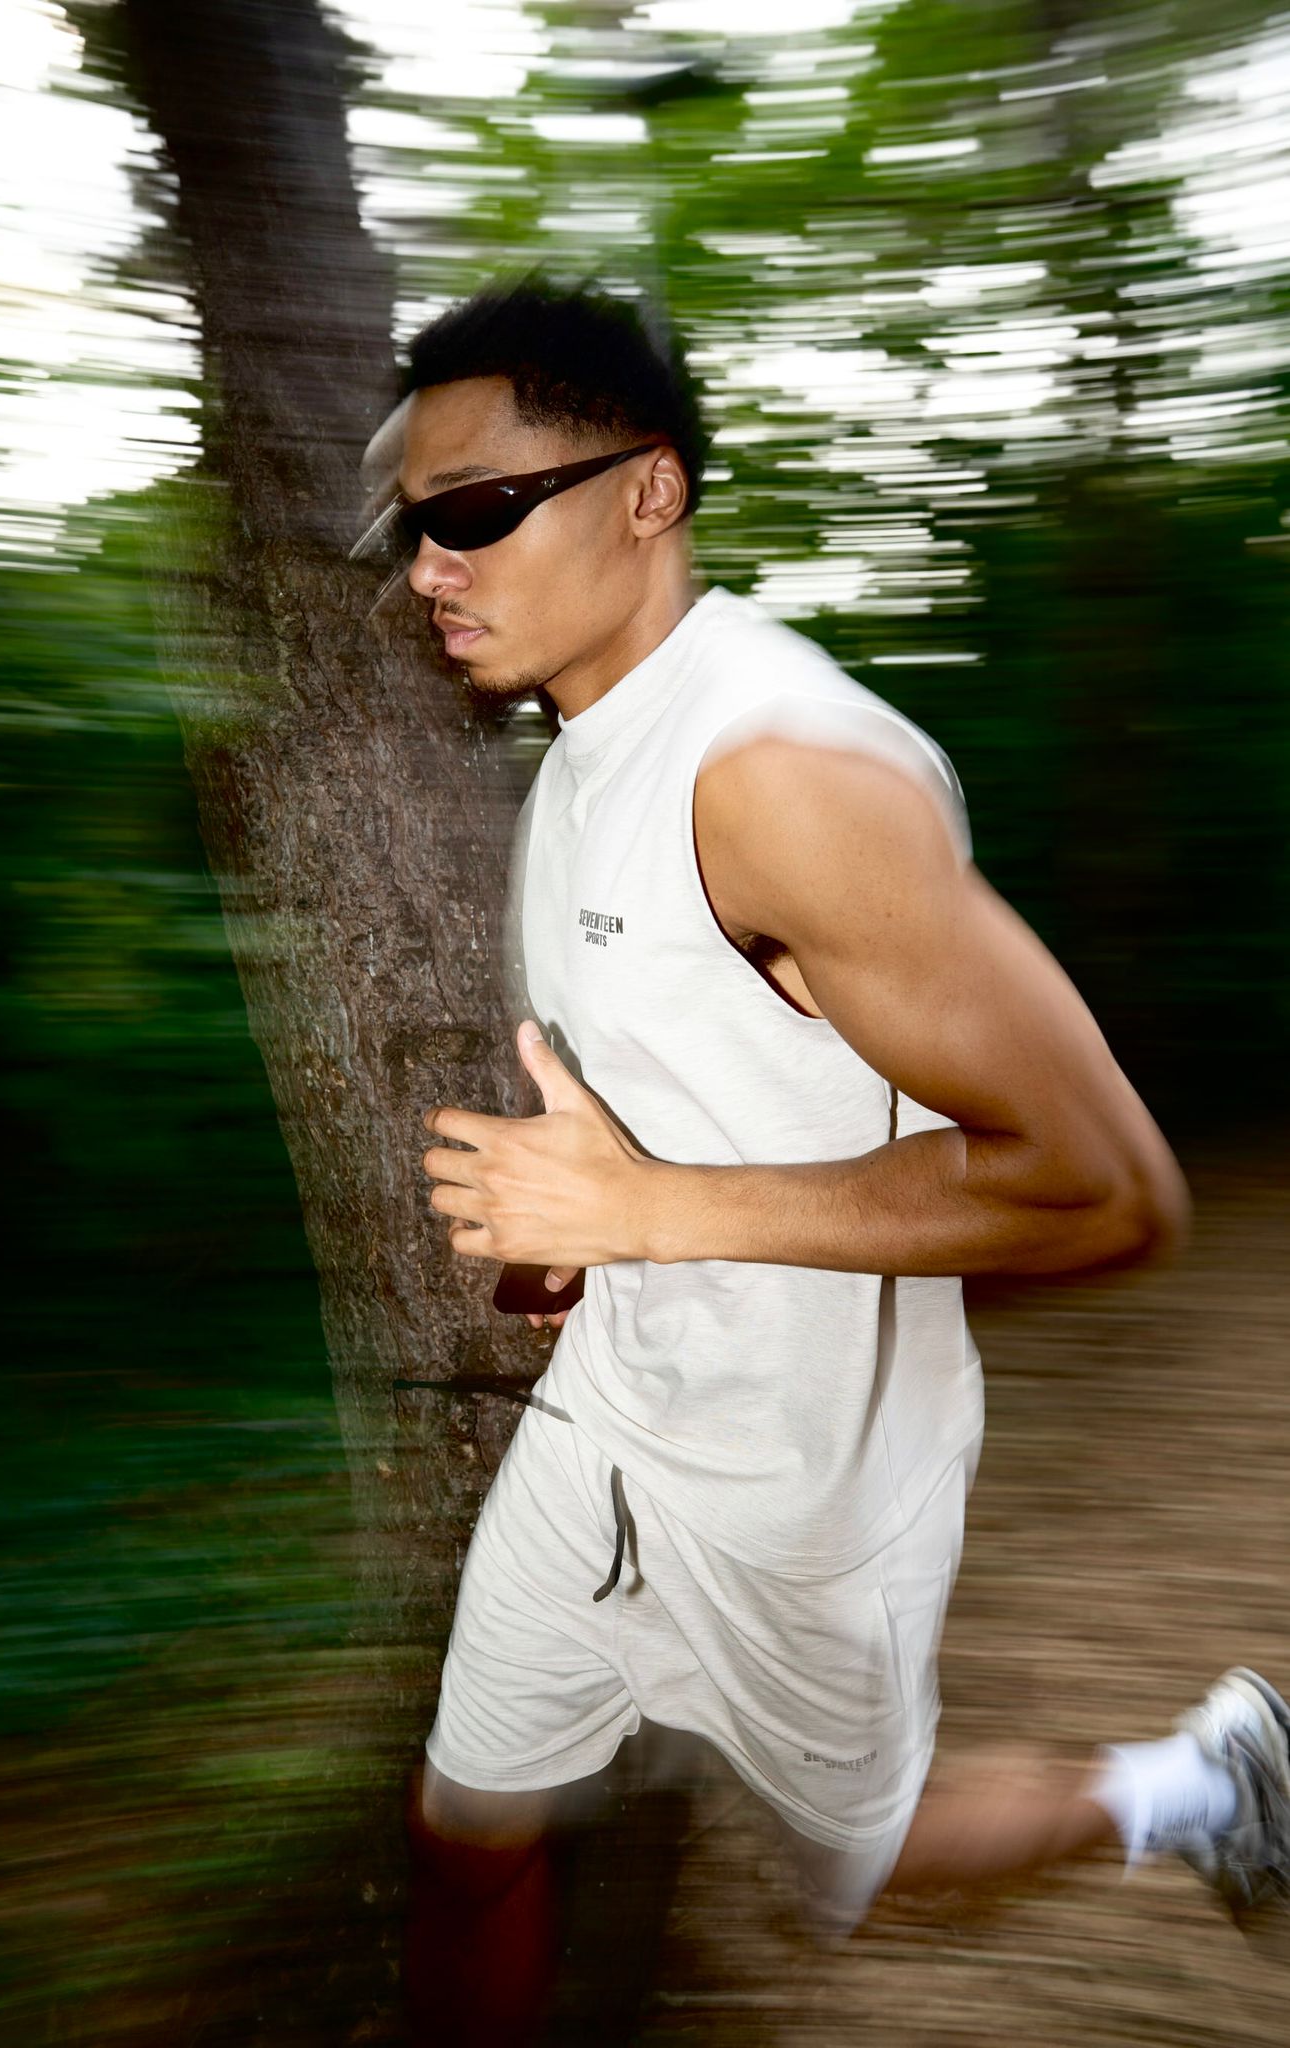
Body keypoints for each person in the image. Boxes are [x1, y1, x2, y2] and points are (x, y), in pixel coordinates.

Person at [352, 277, 1290, 2045]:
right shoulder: (579, 762)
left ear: (649, 491)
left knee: (869, 1864)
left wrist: (647, 1208)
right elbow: (695, 1083)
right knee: (463, 1831)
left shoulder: (777, 773)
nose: (428, 570)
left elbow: (1109, 1191)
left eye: (474, 512)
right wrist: (586, 1233)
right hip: (612, 1425)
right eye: (415, 528)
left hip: (805, 1478)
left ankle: (1201, 1778)